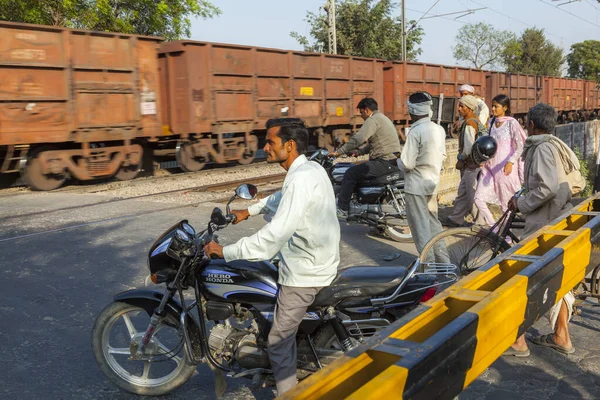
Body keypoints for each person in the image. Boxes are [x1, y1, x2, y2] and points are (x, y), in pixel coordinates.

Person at [203, 118, 341, 394]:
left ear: (289, 146)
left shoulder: (301, 178)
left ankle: (289, 394)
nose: (264, 147)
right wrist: (249, 211)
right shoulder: (309, 168)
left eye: (270, 142)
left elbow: (274, 236)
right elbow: (281, 198)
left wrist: (226, 251)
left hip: (305, 273)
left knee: (279, 338)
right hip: (314, 257)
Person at [505, 103, 585, 357]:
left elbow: (547, 187)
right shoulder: (556, 144)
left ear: (530, 124)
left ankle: (518, 340)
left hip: (544, 220)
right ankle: (561, 335)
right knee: (555, 278)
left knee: (527, 277)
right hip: (559, 215)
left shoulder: (540, 148)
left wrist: (522, 203)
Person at [397, 92, 448, 263]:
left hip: (416, 187)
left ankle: (430, 268)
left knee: (421, 230)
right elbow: (443, 156)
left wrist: (398, 160)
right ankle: (445, 264)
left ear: (411, 110)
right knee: (434, 226)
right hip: (432, 184)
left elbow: (407, 164)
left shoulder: (415, 132)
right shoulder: (439, 129)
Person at [332, 97, 402, 218]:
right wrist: (359, 152)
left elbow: (359, 138)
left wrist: (339, 152)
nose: (362, 116)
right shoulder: (382, 118)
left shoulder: (373, 120)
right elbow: (377, 142)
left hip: (384, 162)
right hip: (391, 160)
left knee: (350, 173)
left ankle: (342, 209)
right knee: (358, 172)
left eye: (361, 113)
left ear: (367, 110)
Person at [474, 94, 526, 227]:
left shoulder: (511, 123)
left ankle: (506, 238)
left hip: (505, 170)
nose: (492, 109)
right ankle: (495, 230)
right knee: (478, 199)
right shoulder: (491, 123)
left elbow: (521, 146)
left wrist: (511, 161)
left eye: (496, 106)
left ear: (505, 107)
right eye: (492, 106)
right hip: (490, 168)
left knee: (506, 207)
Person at [444, 95, 483, 227]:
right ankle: (456, 218)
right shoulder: (474, 120)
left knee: (471, 194)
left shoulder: (470, 124)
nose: (459, 109)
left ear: (470, 108)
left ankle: (481, 221)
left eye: (462, 106)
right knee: (463, 192)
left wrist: (461, 159)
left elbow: (468, 148)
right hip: (473, 163)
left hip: (470, 164)